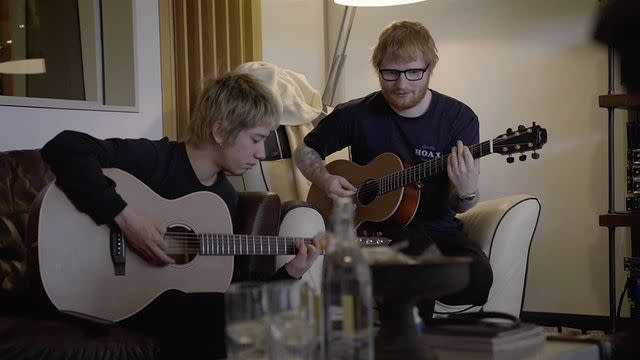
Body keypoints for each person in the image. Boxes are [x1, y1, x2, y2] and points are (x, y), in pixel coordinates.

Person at [40, 71, 325, 359]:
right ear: (220, 132)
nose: (262, 153)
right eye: (256, 139)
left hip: (167, 305)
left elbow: (232, 292)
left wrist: (291, 273)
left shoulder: (224, 199)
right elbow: (65, 148)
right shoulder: (155, 159)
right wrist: (127, 220)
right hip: (113, 293)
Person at [294, 20, 493, 325]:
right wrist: (324, 178)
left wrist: (467, 192)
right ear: (378, 69)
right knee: (414, 259)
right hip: (374, 230)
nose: (401, 84)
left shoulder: (458, 119)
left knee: (479, 279)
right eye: (390, 73)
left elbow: (460, 205)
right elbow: (305, 151)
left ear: (430, 68)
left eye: (414, 72)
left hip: (439, 229)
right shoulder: (355, 114)